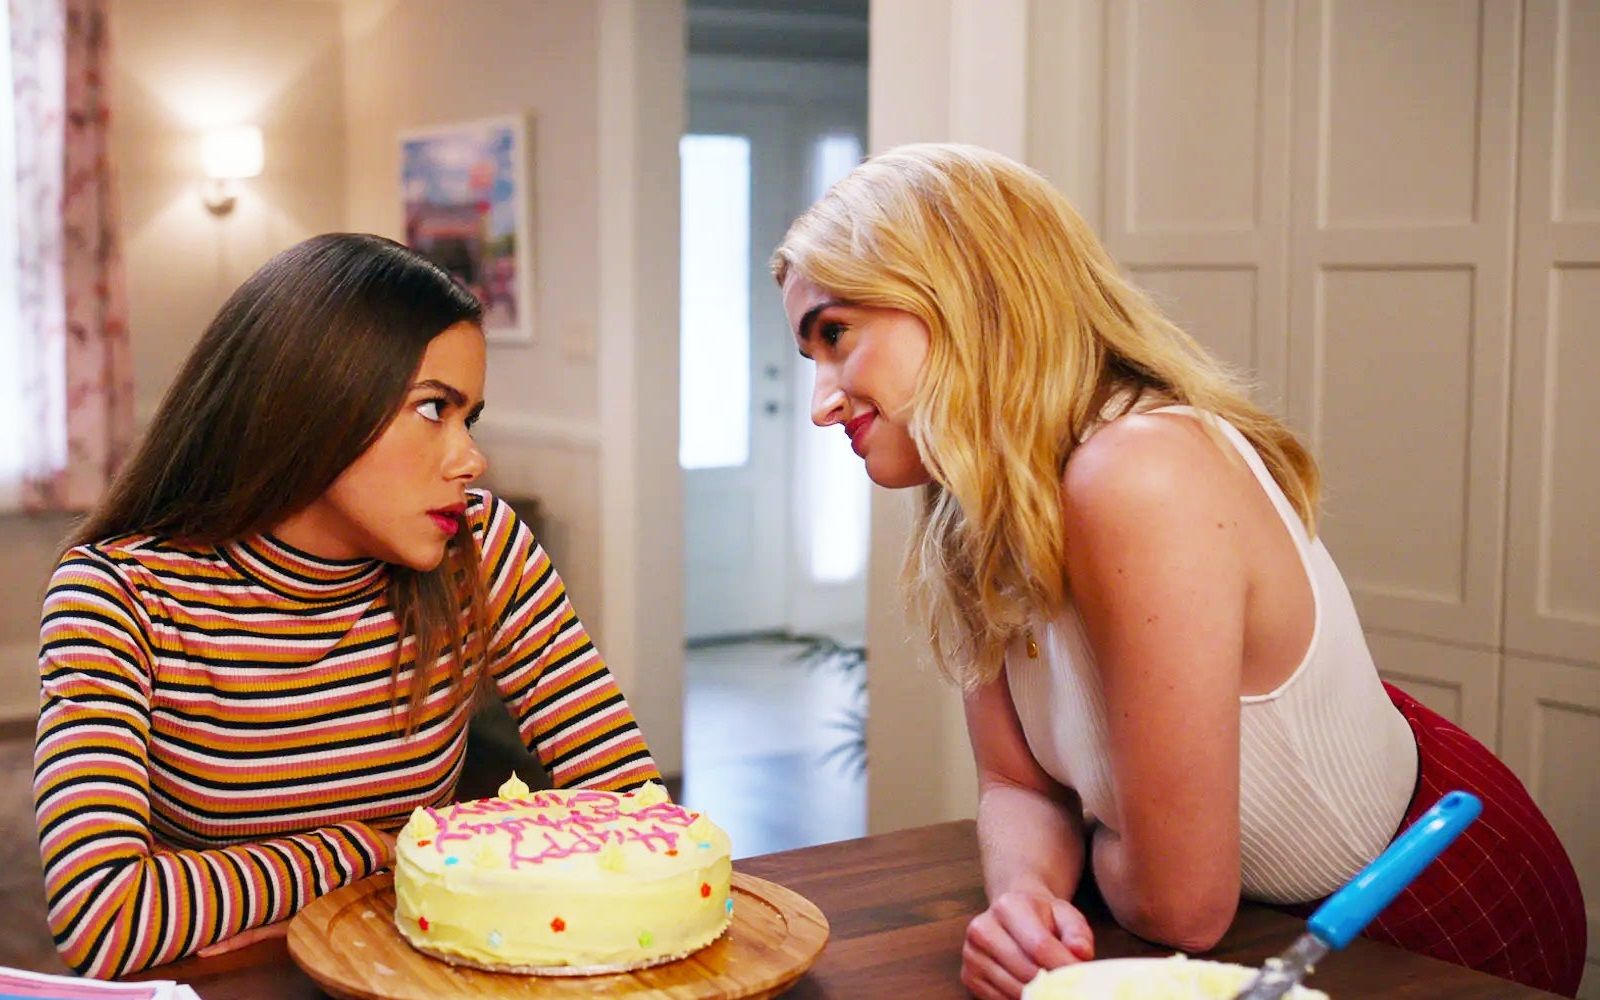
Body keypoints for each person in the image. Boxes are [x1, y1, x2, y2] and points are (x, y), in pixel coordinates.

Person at [771, 143, 1586, 999]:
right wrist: (1027, 899)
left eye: (836, 334)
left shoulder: (1141, 471)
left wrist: (1098, 843)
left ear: (968, 293)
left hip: (1418, 910)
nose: (823, 401)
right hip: (1266, 928)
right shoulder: (975, 509)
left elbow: (1181, 907)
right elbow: (1018, 784)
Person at [33, 233, 659, 978]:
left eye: (469, 419)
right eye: (433, 408)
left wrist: (233, 886)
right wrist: (368, 852)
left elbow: (637, 812)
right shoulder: (119, 593)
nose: (470, 458)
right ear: (314, 405)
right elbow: (102, 915)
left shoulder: (484, 547)